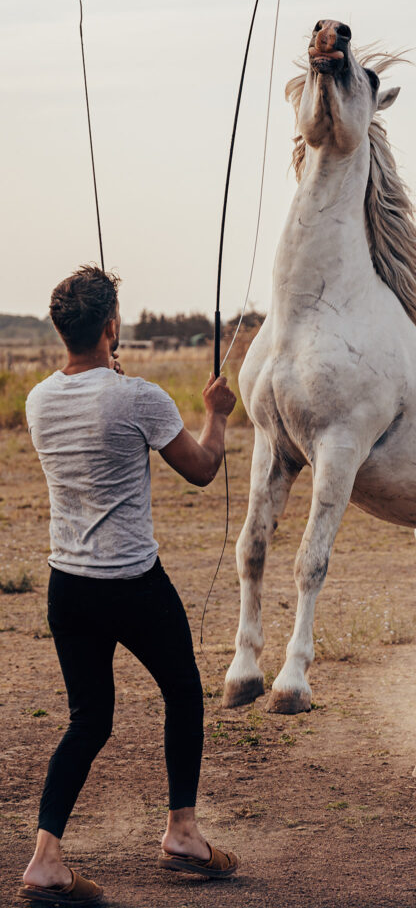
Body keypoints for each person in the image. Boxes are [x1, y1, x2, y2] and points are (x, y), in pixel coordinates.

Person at [19, 265, 238, 905]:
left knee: (88, 720)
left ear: (62, 329)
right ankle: (183, 833)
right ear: (111, 326)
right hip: (134, 583)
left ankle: (46, 860)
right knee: (184, 693)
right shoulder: (139, 397)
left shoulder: (37, 400)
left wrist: (111, 374)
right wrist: (217, 415)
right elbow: (202, 468)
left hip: (68, 585)